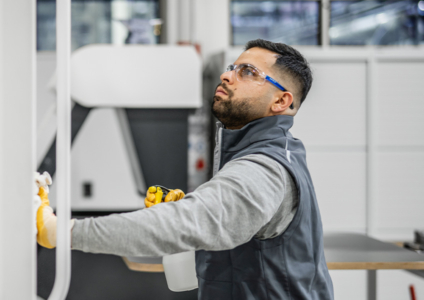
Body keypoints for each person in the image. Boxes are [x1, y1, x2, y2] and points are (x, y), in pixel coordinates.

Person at [37, 39, 334, 300]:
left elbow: (186, 223)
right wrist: (197, 204)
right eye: (233, 67)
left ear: (281, 101)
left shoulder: (263, 169)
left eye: (248, 72)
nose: (226, 75)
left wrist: (64, 232)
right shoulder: (274, 151)